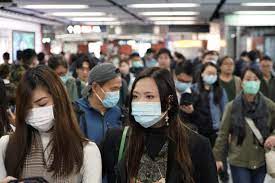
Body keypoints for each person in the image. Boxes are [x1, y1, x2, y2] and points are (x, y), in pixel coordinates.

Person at [102, 67, 218, 183]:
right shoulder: (117, 138)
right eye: (135, 96)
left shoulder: (196, 144)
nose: (140, 103)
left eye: (149, 96)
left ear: (168, 101)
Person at [0, 66, 102, 182]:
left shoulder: (86, 151)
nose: (34, 111)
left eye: (42, 104)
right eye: (27, 108)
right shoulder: (6, 145)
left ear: (59, 101)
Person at [214, 67, 275, 183]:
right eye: (248, 79)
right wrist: (217, 158)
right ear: (241, 82)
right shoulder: (232, 107)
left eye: (255, 79)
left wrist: (273, 136)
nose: (252, 82)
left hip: (261, 159)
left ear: (260, 82)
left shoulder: (269, 105)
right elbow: (223, 134)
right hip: (239, 160)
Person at [191, 62, 229, 182]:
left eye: (214, 73)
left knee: (218, 163)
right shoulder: (193, 89)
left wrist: (227, 132)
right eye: (209, 73)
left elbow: (225, 112)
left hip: (215, 133)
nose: (211, 76)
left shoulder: (220, 91)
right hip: (198, 133)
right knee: (200, 164)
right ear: (202, 73)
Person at [74, 63, 122, 145]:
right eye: (113, 89)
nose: (117, 93)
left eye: (119, 89)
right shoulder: (76, 112)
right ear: (95, 87)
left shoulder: (119, 113)